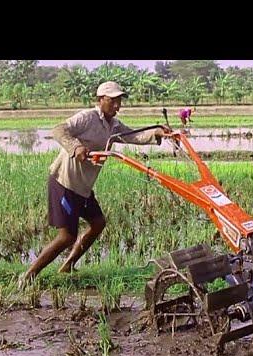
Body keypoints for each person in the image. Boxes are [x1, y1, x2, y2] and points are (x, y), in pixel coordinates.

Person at [19, 81, 169, 287]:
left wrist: (157, 133)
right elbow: (59, 130)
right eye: (113, 101)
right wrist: (76, 147)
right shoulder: (86, 117)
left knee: (98, 224)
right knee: (66, 237)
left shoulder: (114, 126)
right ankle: (28, 276)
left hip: (83, 187)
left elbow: (133, 136)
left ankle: (68, 266)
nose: (117, 106)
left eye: (119, 101)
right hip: (65, 182)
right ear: (101, 100)